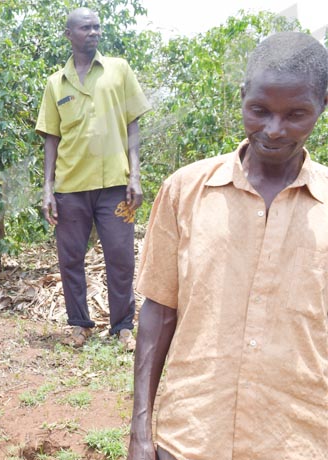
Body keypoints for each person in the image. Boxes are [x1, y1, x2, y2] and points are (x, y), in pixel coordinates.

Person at [128, 31, 328, 460]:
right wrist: (141, 430)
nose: (274, 131)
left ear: (323, 107)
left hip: (299, 438)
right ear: (242, 97)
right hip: (192, 435)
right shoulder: (185, 190)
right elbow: (159, 312)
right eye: (259, 111)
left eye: (296, 114)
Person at [35, 7, 151, 349]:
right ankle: (79, 325)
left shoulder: (119, 70)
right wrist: (48, 190)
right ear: (69, 34)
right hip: (70, 188)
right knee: (70, 258)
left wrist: (136, 175)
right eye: (86, 28)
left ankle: (123, 327)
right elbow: (51, 139)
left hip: (115, 185)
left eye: (97, 27)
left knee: (120, 256)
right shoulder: (56, 83)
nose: (94, 33)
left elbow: (133, 124)